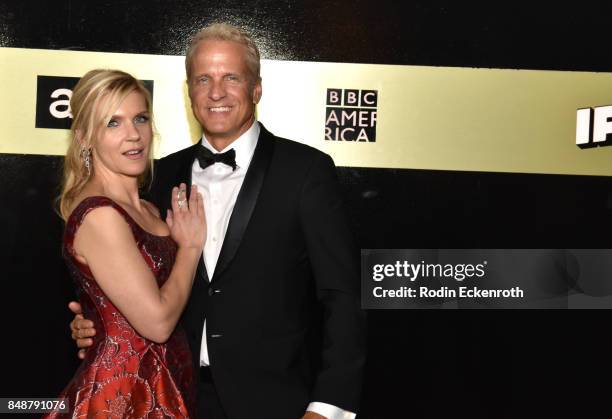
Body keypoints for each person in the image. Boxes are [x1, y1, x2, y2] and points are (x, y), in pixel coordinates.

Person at [70, 24, 366, 419]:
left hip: (276, 403)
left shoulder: (305, 172)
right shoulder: (157, 178)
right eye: (203, 79)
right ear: (189, 91)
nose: (216, 92)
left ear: (256, 88)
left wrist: (329, 407)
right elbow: (133, 279)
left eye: (231, 77)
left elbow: (344, 296)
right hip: (174, 397)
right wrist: (98, 320)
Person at [50, 69, 205, 418]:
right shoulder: (99, 214)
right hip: (122, 395)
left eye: (140, 118)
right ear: (85, 138)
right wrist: (191, 249)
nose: (134, 135)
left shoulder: (149, 207)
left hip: (166, 385)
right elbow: (158, 322)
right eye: (113, 123)